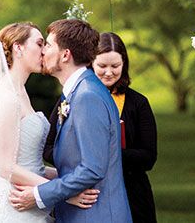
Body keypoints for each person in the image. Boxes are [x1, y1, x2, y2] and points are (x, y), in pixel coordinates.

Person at [0, 22, 96, 223]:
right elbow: (7, 168)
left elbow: (30, 164)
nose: (44, 51)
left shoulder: (20, 93)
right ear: (18, 48)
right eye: (40, 44)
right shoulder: (7, 98)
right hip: (12, 206)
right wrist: (65, 193)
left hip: (28, 200)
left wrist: (67, 178)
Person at [9, 19, 133, 223]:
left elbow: (92, 168)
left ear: (65, 55)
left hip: (96, 215)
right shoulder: (78, 92)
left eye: (48, 45)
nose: (43, 52)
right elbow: (73, 162)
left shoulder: (87, 96)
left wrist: (38, 194)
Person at [93, 32, 157, 223]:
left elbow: (149, 157)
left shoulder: (138, 103)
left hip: (132, 193)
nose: (109, 72)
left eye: (115, 66)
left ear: (124, 65)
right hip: (90, 194)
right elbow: (51, 148)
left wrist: (109, 154)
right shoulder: (75, 98)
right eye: (102, 66)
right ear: (90, 63)